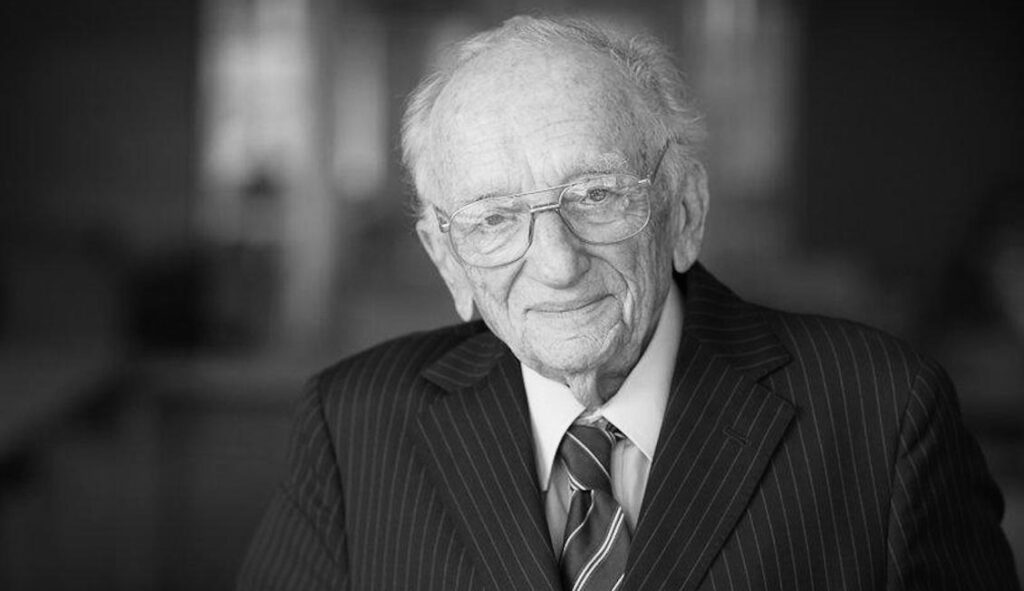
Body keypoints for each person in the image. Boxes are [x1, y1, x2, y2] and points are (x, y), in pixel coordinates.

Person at [238, 16, 1020, 590]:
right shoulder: (352, 425)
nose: (556, 263)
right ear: (448, 259)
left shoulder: (884, 412)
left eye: (596, 194)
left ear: (684, 211)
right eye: (494, 218)